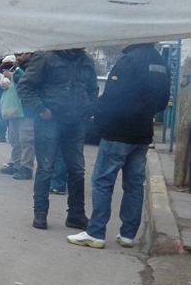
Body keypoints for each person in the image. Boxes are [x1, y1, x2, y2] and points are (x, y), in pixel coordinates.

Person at [68, 43, 170, 249]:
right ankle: (127, 235)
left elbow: (112, 96)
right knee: (134, 184)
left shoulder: (129, 61)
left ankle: (95, 233)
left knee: (103, 181)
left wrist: (96, 115)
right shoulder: (160, 62)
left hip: (118, 131)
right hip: (142, 133)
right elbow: (162, 101)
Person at [17, 49, 98, 230]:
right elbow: (25, 86)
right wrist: (41, 110)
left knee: (77, 170)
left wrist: (89, 109)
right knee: (46, 168)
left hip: (76, 122)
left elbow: (93, 89)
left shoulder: (86, 60)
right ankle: (40, 214)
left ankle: (76, 215)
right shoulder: (45, 57)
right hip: (49, 121)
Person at [0, 53, 35, 180]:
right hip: (14, 108)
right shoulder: (15, 65)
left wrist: (13, 75)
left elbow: (29, 80)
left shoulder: (34, 65)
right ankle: (15, 163)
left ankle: (26, 167)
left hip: (27, 109)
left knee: (26, 139)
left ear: (29, 53)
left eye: (21, 54)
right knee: (14, 138)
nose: (18, 56)